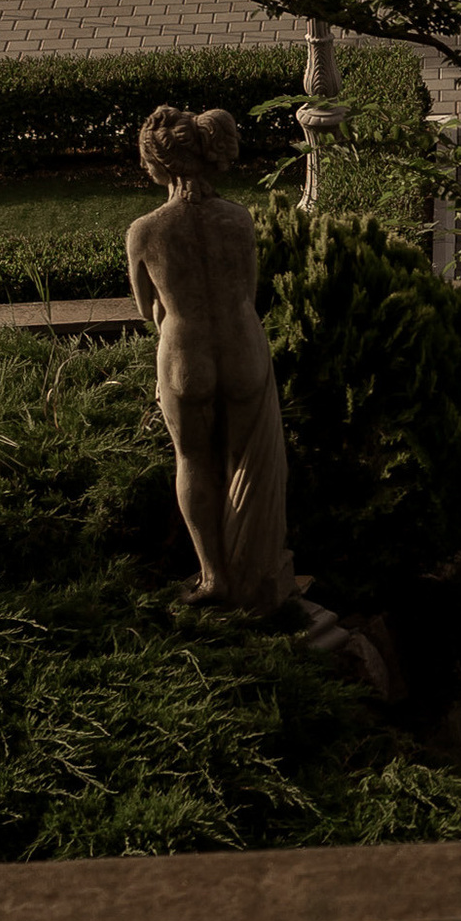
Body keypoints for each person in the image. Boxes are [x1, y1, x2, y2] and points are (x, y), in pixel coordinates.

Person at [125, 104, 294, 611]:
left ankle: (214, 576)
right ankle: (258, 569)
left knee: (193, 459)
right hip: (243, 346)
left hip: (184, 352)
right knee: (251, 463)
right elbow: (248, 288)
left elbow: (147, 308)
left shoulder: (145, 231)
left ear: (159, 163)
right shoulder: (238, 219)